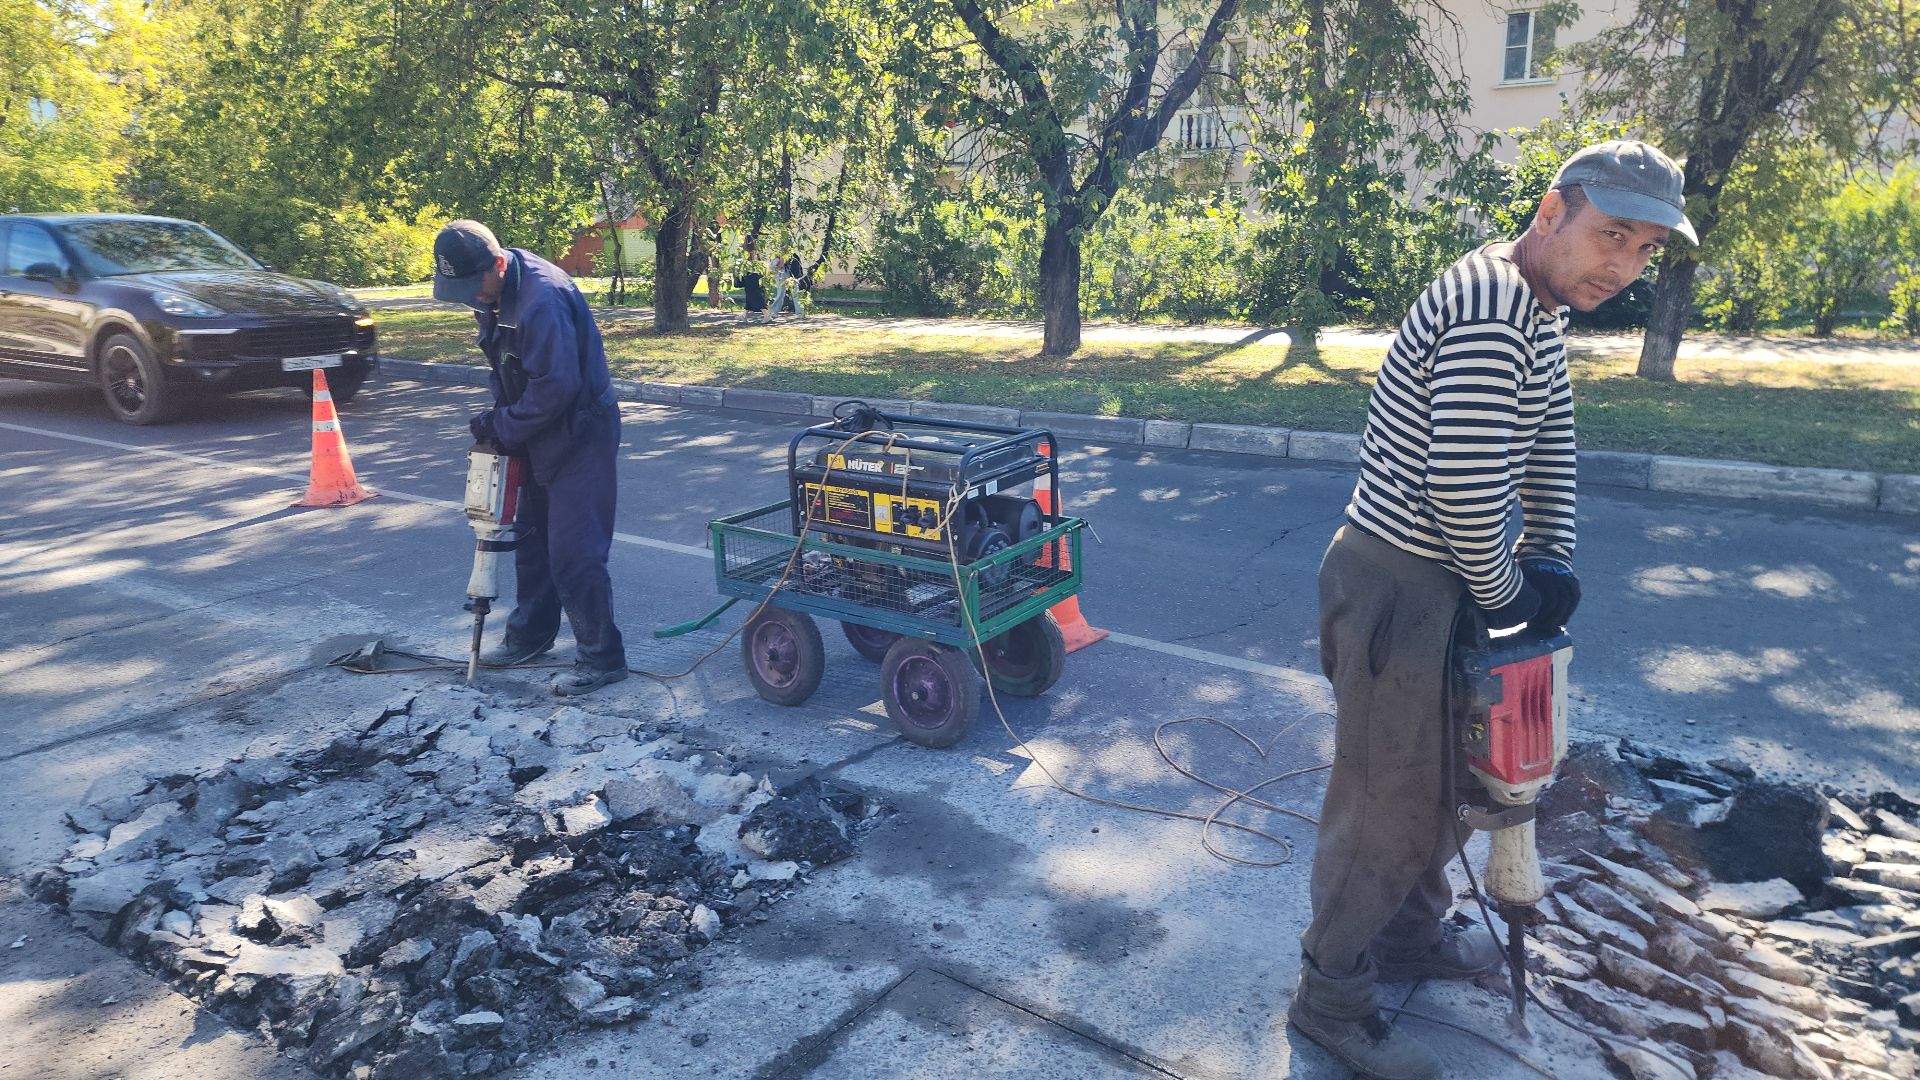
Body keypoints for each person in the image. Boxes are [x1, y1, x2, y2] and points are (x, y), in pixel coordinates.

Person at [1286, 141, 1694, 1079]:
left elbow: (1552, 443)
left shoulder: (1536, 308)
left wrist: (1553, 559)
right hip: (1399, 583)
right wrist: (1511, 594)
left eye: (1642, 251)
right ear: (1552, 211)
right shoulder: (1488, 309)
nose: (1623, 267)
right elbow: (1466, 492)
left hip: (1447, 579)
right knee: (1385, 805)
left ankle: (1409, 939)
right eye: (1612, 236)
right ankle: (1329, 996)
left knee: (1440, 794)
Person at [432, 219, 629, 697]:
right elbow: (510, 366)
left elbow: (556, 387)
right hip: (535, 429)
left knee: (574, 552)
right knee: (532, 542)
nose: (469, 298)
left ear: (497, 265)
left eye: (471, 286)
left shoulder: (542, 302)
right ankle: (531, 636)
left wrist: (502, 425)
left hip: (578, 432)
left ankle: (602, 659)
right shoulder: (494, 291)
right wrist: (501, 419)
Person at [738, 244, 767, 323]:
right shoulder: (756, 254)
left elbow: (749, 264)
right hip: (753, 276)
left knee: (755, 296)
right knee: (749, 297)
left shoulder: (751, 254)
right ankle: (744, 315)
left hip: (752, 277)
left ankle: (766, 314)